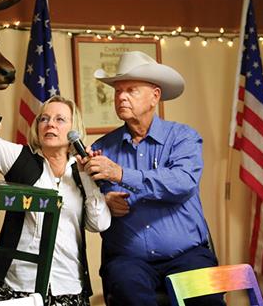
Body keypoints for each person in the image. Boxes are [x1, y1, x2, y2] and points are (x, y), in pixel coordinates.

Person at [85, 51, 225, 306]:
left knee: (206, 299)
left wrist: (121, 174)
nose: (121, 97)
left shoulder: (184, 137)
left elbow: (182, 183)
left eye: (131, 90)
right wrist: (105, 202)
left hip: (187, 254)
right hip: (128, 260)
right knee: (127, 290)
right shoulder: (101, 148)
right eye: (118, 91)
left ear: (155, 96)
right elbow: (90, 202)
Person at [0, 96, 111, 306]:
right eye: (44, 119)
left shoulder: (82, 172)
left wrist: (87, 176)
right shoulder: (19, 158)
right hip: (19, 284)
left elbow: (99, 224)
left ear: (73, 129)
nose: (50, 124)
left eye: (60, 120)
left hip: (69, 284)